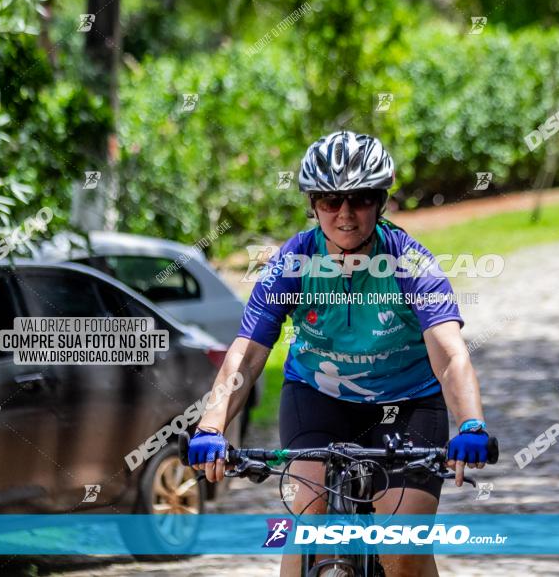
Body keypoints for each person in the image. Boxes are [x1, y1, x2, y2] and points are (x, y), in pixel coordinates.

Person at [187, 130, 493, 577]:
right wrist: (211, 426)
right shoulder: (292, 263)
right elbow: (248, 353)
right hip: (318, 398)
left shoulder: (410, 262)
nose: (346, 214)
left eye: (362, 198)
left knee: (404, 550)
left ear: (381, 201)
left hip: (406, 403)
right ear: (313, 205)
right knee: (308, 524)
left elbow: (448, 355)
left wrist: (471, 423)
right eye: (331, 201)